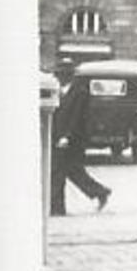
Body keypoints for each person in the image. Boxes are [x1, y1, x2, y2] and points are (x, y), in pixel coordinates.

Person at [49, 64, 111, 216]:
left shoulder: (80, 93)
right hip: (58, 136)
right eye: (57, 75)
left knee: (58, 172)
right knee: (71, 170)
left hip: (72, 139)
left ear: (69, 76)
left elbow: (77, 117)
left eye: (61, 75)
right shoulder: (59, 92)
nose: (58, 78)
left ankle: (57, 208)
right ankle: (99, 191)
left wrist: (67, 137)